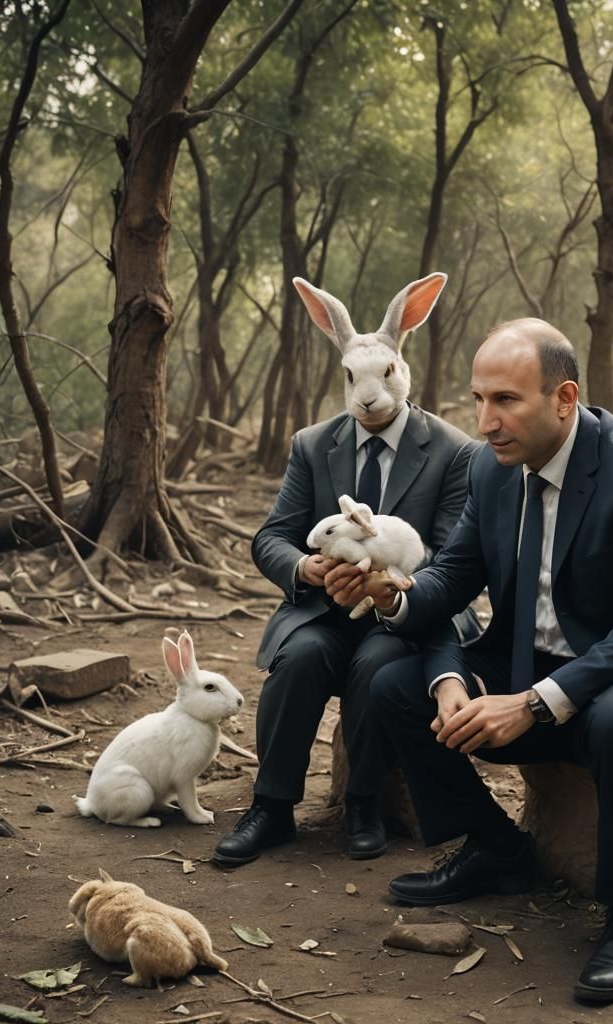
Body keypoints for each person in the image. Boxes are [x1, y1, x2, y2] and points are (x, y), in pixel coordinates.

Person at [327, 318, 613, 1002]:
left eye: (505, 400)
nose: (486, 420)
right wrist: (393, 597)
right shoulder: (490, 470)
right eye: (478, 400)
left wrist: (531, 704)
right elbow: (448, 580)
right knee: (393, 681)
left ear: (564, 398)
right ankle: (496, 847)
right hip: (544, 655)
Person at [213, 273, 479, 867]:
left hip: (402, 614)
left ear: (400, 368)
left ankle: (362, 803)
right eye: (353, 381)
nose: (367, 396)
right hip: (323, 608)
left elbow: (452, 554)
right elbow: (271, 537)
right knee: (301, 656)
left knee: (377, 665)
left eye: (382, 376)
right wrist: (308, 570)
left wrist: (389, 586)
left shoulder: (454, 450)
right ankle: (272, 806)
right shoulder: (313, 444)